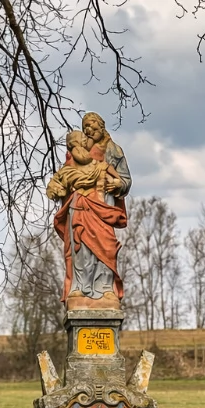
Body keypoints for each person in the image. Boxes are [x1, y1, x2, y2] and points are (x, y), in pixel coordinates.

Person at [46, 113, 133, 310]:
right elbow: (64, 177)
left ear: (101, 127)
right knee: (81, 247)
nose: (88, 131)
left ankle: (105, 288)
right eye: (85, 128)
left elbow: (125, 180)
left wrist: (117, 184)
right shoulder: (77, 152)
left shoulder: (113, 150)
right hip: (81, 206)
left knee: (106, 246)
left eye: (92, 127)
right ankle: (81, 287)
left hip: (103, 206)